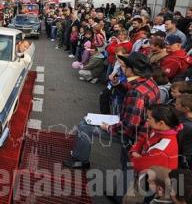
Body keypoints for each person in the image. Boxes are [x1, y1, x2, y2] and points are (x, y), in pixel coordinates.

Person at [64, 52, 160, 197]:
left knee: (85, 126)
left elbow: (129, 127)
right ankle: (119, 194)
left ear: (131, 69)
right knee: (127, 165)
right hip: (144, 133)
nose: (121, 69)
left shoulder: (136, 93)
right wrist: (118, 84)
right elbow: (132, 91)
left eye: (123, 66)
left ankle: (81, 161)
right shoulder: (149, 82)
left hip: (133, 136)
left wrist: (108, 127)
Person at [129, 104, 180, 172]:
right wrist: (135, 150)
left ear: (161, 123)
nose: (146, 120)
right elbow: (144, 138)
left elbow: (137, 165)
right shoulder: (159, 130)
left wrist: (134, 156)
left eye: (149, 118)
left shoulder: (161, 150)